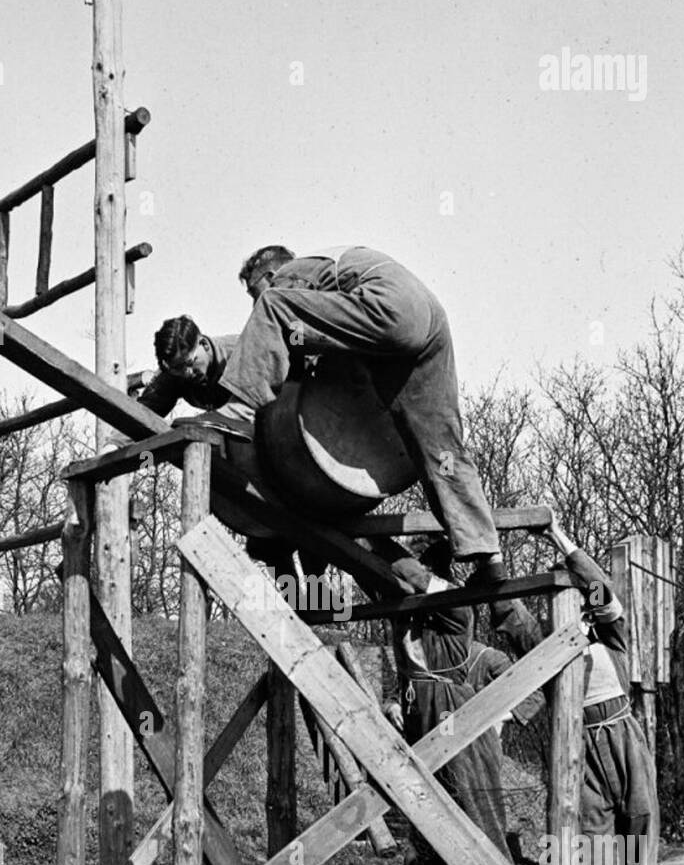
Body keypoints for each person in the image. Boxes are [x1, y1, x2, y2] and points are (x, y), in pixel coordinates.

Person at [219, 245, 518, 615]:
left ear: (267, 275)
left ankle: (237, 410)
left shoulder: (289, 274)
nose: (252, 301)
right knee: (442, 449)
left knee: (274, 309)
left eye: (252, 291)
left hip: (387, 306)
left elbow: (288, 326)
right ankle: (488, 559)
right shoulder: (341, 278)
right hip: (426, 320)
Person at [511, 514, 667, 865]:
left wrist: (556, 536)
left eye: (581, 608)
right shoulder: (549, 653)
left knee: (640, 864)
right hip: (585, 763)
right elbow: (510, 618)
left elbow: (597, 583)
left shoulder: (610, 639)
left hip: (627, 746)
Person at [386, 540, 530, 865]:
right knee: (432, 847)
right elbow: (407, 677)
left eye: (419, 576)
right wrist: (396, 700)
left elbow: (402, 569)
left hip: (459, 732)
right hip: (423, 734)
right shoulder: (412, 623)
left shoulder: (454, 609)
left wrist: (368, 545)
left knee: (480, 836)